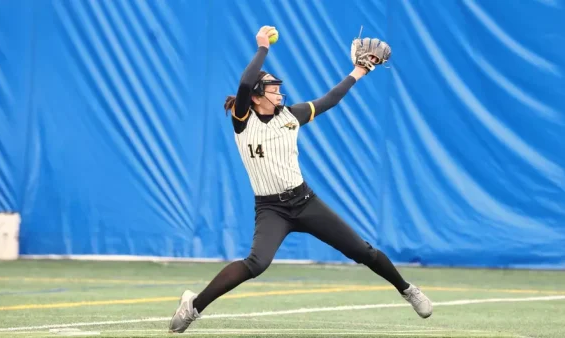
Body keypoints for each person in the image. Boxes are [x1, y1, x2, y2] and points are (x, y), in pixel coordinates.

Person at [169, 25, 432, 334]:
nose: (279, 90)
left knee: (361, 250)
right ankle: (193, 306)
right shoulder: (243, 120)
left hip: (305, 202)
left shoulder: (291, 115)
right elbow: (244, 81)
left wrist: (358, 72)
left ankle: (406, 289)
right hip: (271, 210)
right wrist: (263, 48)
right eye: (272, 87)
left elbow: (330, 99)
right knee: (256, 263)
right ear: (255, 96)